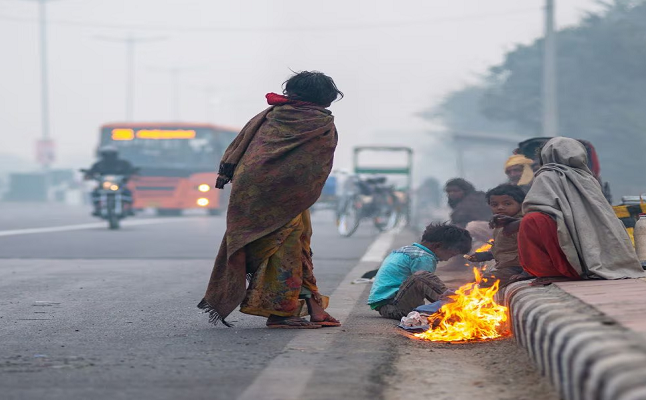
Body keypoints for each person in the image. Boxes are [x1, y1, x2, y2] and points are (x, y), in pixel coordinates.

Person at [197, 71, 344, 329]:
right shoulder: (320, 123)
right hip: (287, 195)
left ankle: (315, 308)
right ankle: (281, 314)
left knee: (298, 246)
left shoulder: (271, 117)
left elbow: (246, 151)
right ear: (325, 98)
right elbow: (313, 167)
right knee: (285, 250)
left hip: (251, 191)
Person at [519, 137, 646, 285]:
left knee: (532, 220)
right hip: (586, 239)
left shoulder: (546, 176)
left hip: (564, 237)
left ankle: (555, 271)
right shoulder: (588, 178)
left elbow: (535, 207)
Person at [368, 223, 472, 320]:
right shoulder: (424, 257)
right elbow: (426, 285)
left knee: (424, 279)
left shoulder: (408, 250)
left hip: (387, 305)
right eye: (451, 254)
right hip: (394, 307)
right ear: (438, 246)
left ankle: (453, 304)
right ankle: (456, 306)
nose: (448, 259)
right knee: (421, 277)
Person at [467, 184, 526, 285]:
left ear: (521, 204)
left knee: (481, 284)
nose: (500, 208)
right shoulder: (500, 223)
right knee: (475, 282)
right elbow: (505, 248)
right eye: (495, 205)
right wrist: (486, 255)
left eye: (507, 204)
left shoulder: (520, 224)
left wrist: (526, 273)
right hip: (506, 266)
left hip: (517, 268)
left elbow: (533, 251)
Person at [85, 146, 136, 216]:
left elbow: (130, 171)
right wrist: (89, 175)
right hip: (103, 185)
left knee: (128, 193)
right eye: (107, 154)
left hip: (119, 184)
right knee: (94, 193)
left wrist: (130, 175)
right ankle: (97, 208)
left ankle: (130, 209)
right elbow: (91, 172)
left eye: (111, 154)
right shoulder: (99, 164)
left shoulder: (123, 163)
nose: (109, 157)